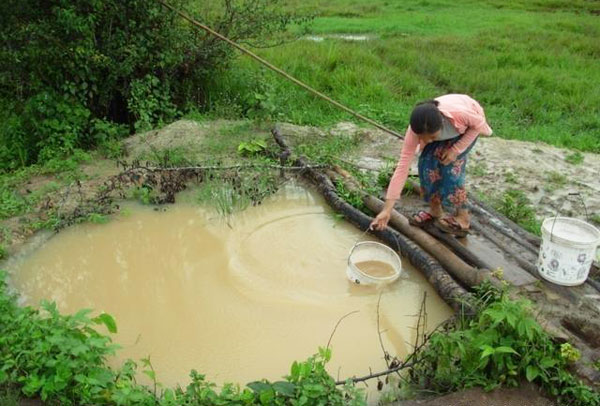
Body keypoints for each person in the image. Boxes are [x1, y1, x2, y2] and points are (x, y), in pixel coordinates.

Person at [370, 94, 492, 236]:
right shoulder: (415, 130)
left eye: (432, 137)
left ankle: (463, 219)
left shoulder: (459, 115)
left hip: (466, 129)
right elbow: (402, 168)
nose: (427, 141)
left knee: (450, 169)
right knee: (426, 165)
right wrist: (387, 210)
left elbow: (478, 125)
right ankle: (435, 211)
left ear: (442, 123)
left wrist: (455, 150)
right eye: (423, 138)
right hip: (444, 129)